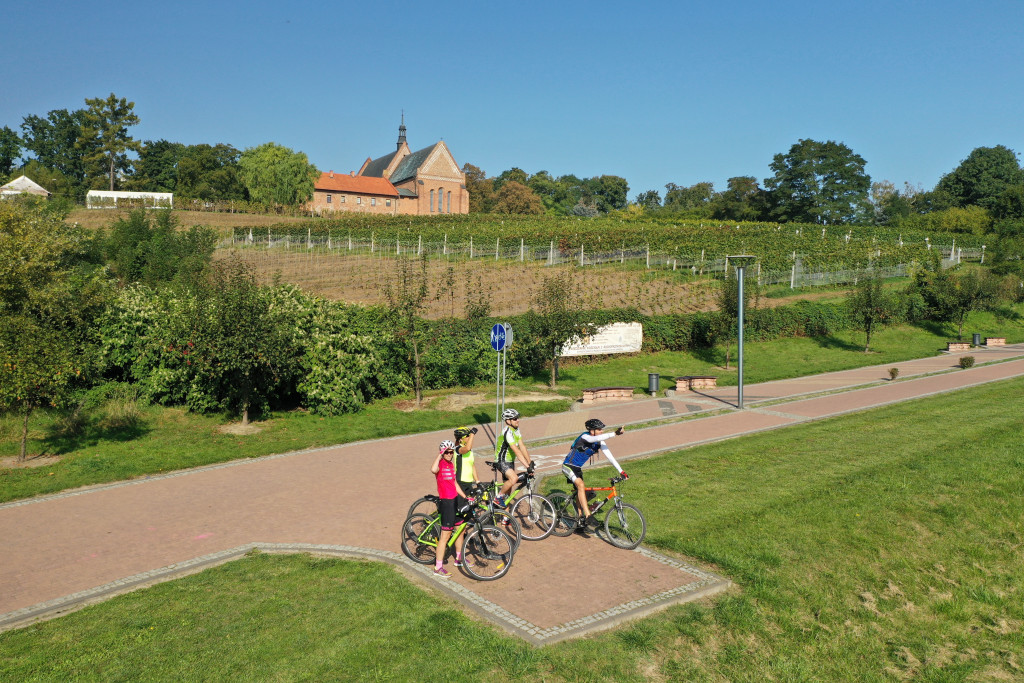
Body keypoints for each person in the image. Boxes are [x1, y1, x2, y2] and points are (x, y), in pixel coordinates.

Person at [561, 418, 627, 532]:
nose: (601, 431)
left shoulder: (599, 442)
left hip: (577, 469)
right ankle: (588, 515)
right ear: (592, 431)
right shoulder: (585, 437)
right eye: (599, 429)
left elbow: (610, 457)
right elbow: (596, 438)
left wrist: (622, 471)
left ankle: (579, 521)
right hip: (568, 466)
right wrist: (615, 433)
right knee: (581, 486)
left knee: (581, 492)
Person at [431, 440, 469, 577]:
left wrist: (465, 497)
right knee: (445, 535)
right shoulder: (440, 464)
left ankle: (459, 558)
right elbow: (433, 470)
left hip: (455, 501)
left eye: (451, 452)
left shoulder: (451, 464)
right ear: (442, 452)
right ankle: (438, 567)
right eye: (446, 452)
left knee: (460, 529)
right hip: (446, 502)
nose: (449, 454)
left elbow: (454, 483)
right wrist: (439, 455)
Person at [493, 408, 534, 507]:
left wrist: (530, 463)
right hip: (501, 461)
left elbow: (522, 447)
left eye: (517, 418)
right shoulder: (507, 432)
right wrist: (526, 466)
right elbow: (516, 450)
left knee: (508, 494)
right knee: (514, 478)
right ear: (508, 421)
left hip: (510, 462)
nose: (518, 420)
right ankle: (497, 498)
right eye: (515, 419)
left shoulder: (516, 430)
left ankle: (505, 520)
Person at [453, 425, 480, 498]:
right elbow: (467, 448)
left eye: (469, 435)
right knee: (462, 505)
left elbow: (472, 465)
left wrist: (477, 481)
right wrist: (472, 434)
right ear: (461, 439)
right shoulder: (458, 449)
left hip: (469, 482)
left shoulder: (469, 451)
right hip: (461, 482)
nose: (469, 437)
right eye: (467, 436)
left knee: (470, 504)